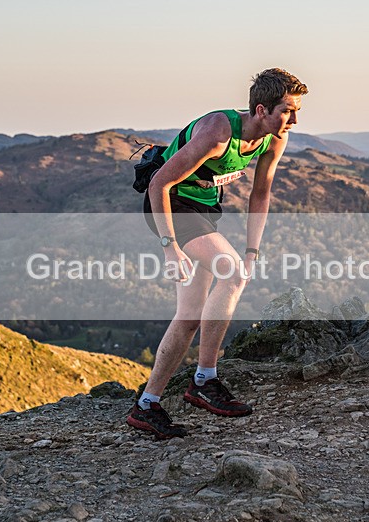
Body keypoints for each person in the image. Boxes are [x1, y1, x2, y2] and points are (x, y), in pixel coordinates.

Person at [127, 68, 308, 439]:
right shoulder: (217, 133)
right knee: (231, 272)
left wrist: (253, 250)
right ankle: (205, 379)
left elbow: (261, 194)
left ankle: (147, 405)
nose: (294, 119)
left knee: (189, 316)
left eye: (297, 110)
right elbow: (159, 183)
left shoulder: (273, 139)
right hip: (170, 206)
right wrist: (170, 248)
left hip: (205, 212)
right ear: (261, 109)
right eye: (288, 110)